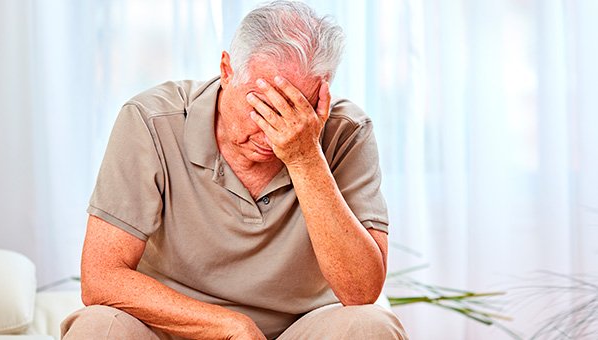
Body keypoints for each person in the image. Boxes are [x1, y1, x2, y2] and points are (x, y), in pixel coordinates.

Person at [61, 1, 408, 339]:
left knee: (371, 326)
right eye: (261, 103)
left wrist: (305, 158)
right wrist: (229, 326)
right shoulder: (150, 120)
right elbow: (101, 277)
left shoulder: (348, 132)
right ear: (227, 71)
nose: (275, 132)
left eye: (295, 107)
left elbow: (361, 291)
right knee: (97, 329)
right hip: (175, 327)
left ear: (323, 92)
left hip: (300, 329)